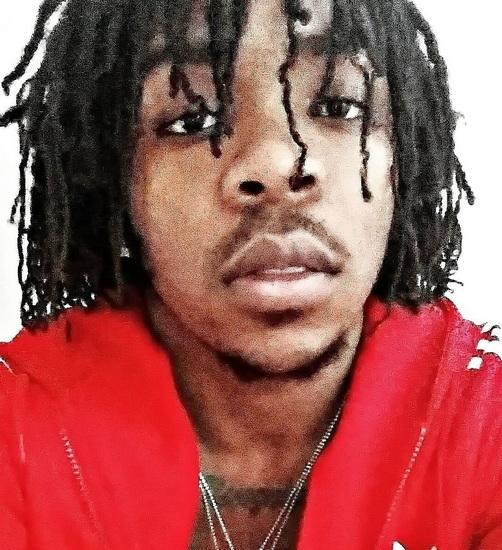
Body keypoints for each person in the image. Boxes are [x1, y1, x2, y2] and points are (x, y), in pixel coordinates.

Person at [0, 0, 500, 548]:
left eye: (337, 105)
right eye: (193, 121)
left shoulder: (485, 425)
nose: (278, 163)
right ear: (111, 180)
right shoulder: (17, 431)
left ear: (403, 158)